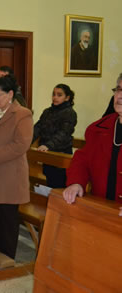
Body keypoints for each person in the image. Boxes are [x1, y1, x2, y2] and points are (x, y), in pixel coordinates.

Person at [0, 75, 33, 259]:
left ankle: (7, 257)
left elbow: (21, 145)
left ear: (10, 94)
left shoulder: (22, 114)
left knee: (8, 219)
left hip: (11, 176)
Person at [63, 74, 122, 217]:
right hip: (101, 209)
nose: (120, 95)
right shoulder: (98, 129)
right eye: (118, 89)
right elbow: (82, 160)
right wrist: (76, 182)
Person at [33, 84, 77, 188]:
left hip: (60, 153)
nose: (55, 97)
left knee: (59, 185)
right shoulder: (47, 111)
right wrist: (26, 140)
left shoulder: (70, 113)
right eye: (54, 94)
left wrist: (48, 145)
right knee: (49, 182)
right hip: (47, 153)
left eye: (59, 95)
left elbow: (64, 133)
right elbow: (38, 128)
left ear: (67, 97)